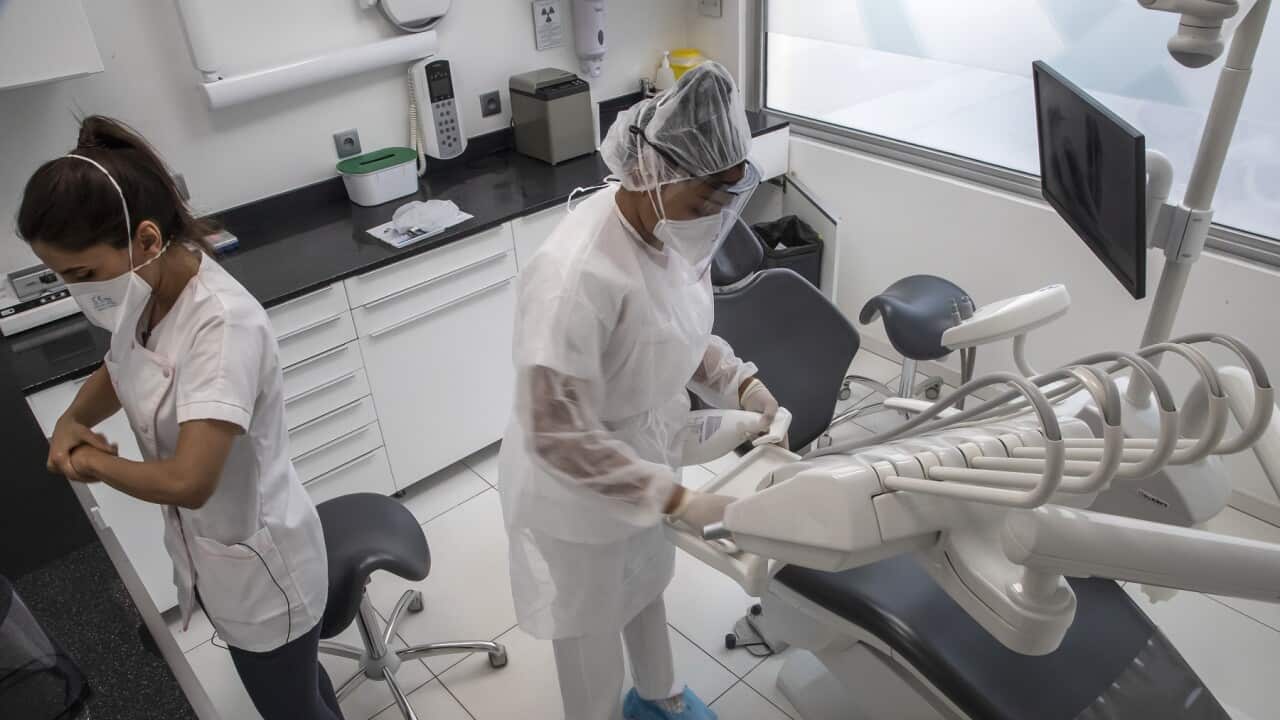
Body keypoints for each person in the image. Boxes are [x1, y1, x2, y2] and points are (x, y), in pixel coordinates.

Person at [16, 117, 342, 720]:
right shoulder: (147, 291)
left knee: (290, 708)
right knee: (299, 693)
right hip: (221, 558)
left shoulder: (220, 326)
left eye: (81, 275)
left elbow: (190, 482)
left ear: (144, 238)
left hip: (263, 566)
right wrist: (70, 419)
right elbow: (124, 367)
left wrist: (91, 461)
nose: (75, 293)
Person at [498, 62, 790, 720]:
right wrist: (675, 496)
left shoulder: (671, 231)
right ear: (658, 173)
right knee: (591, 633)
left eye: (721, 202)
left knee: (645, 587)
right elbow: (557, 433)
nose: (710, 219)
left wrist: (740, 381)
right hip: (573, 488)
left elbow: (674, 329)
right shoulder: (575, 276)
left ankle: (661, 698)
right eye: (703, 201)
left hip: (644, 447)